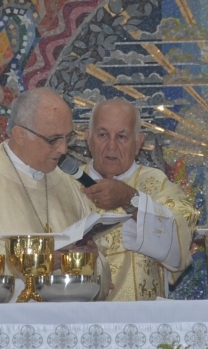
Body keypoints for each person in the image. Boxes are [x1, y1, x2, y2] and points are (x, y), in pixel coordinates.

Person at [0, 88, 93, 257]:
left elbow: (98, 256)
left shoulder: (67, 183)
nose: (63, 149)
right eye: (53, 140)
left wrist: (90, 257)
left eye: (68, 138)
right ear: (20, 135)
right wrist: (29, 259)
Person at [82, 98, 198, 300]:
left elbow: (178, 246)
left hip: (142, 322)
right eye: (102, 135)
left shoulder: (158, 185)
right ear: (88, 138)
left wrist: (130, 199)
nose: (111, 146)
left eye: (122, 137)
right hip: (77, 320)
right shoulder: (66, 186)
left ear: (138, 143)